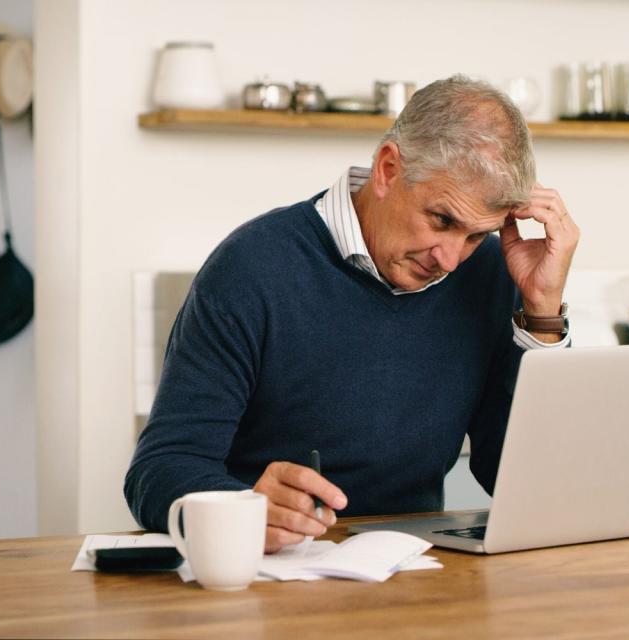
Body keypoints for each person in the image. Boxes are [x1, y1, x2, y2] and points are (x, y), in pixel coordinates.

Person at [125, 75, 579, 553]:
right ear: (387, 169)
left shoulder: (488, 272)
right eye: (442, 220)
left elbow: (533, 486)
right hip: (270, 579)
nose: (450, 258)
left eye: (474, 235)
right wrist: (244, 507)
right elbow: (159, 469)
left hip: (418, 580)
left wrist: (543, 312)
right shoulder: (252, 267)